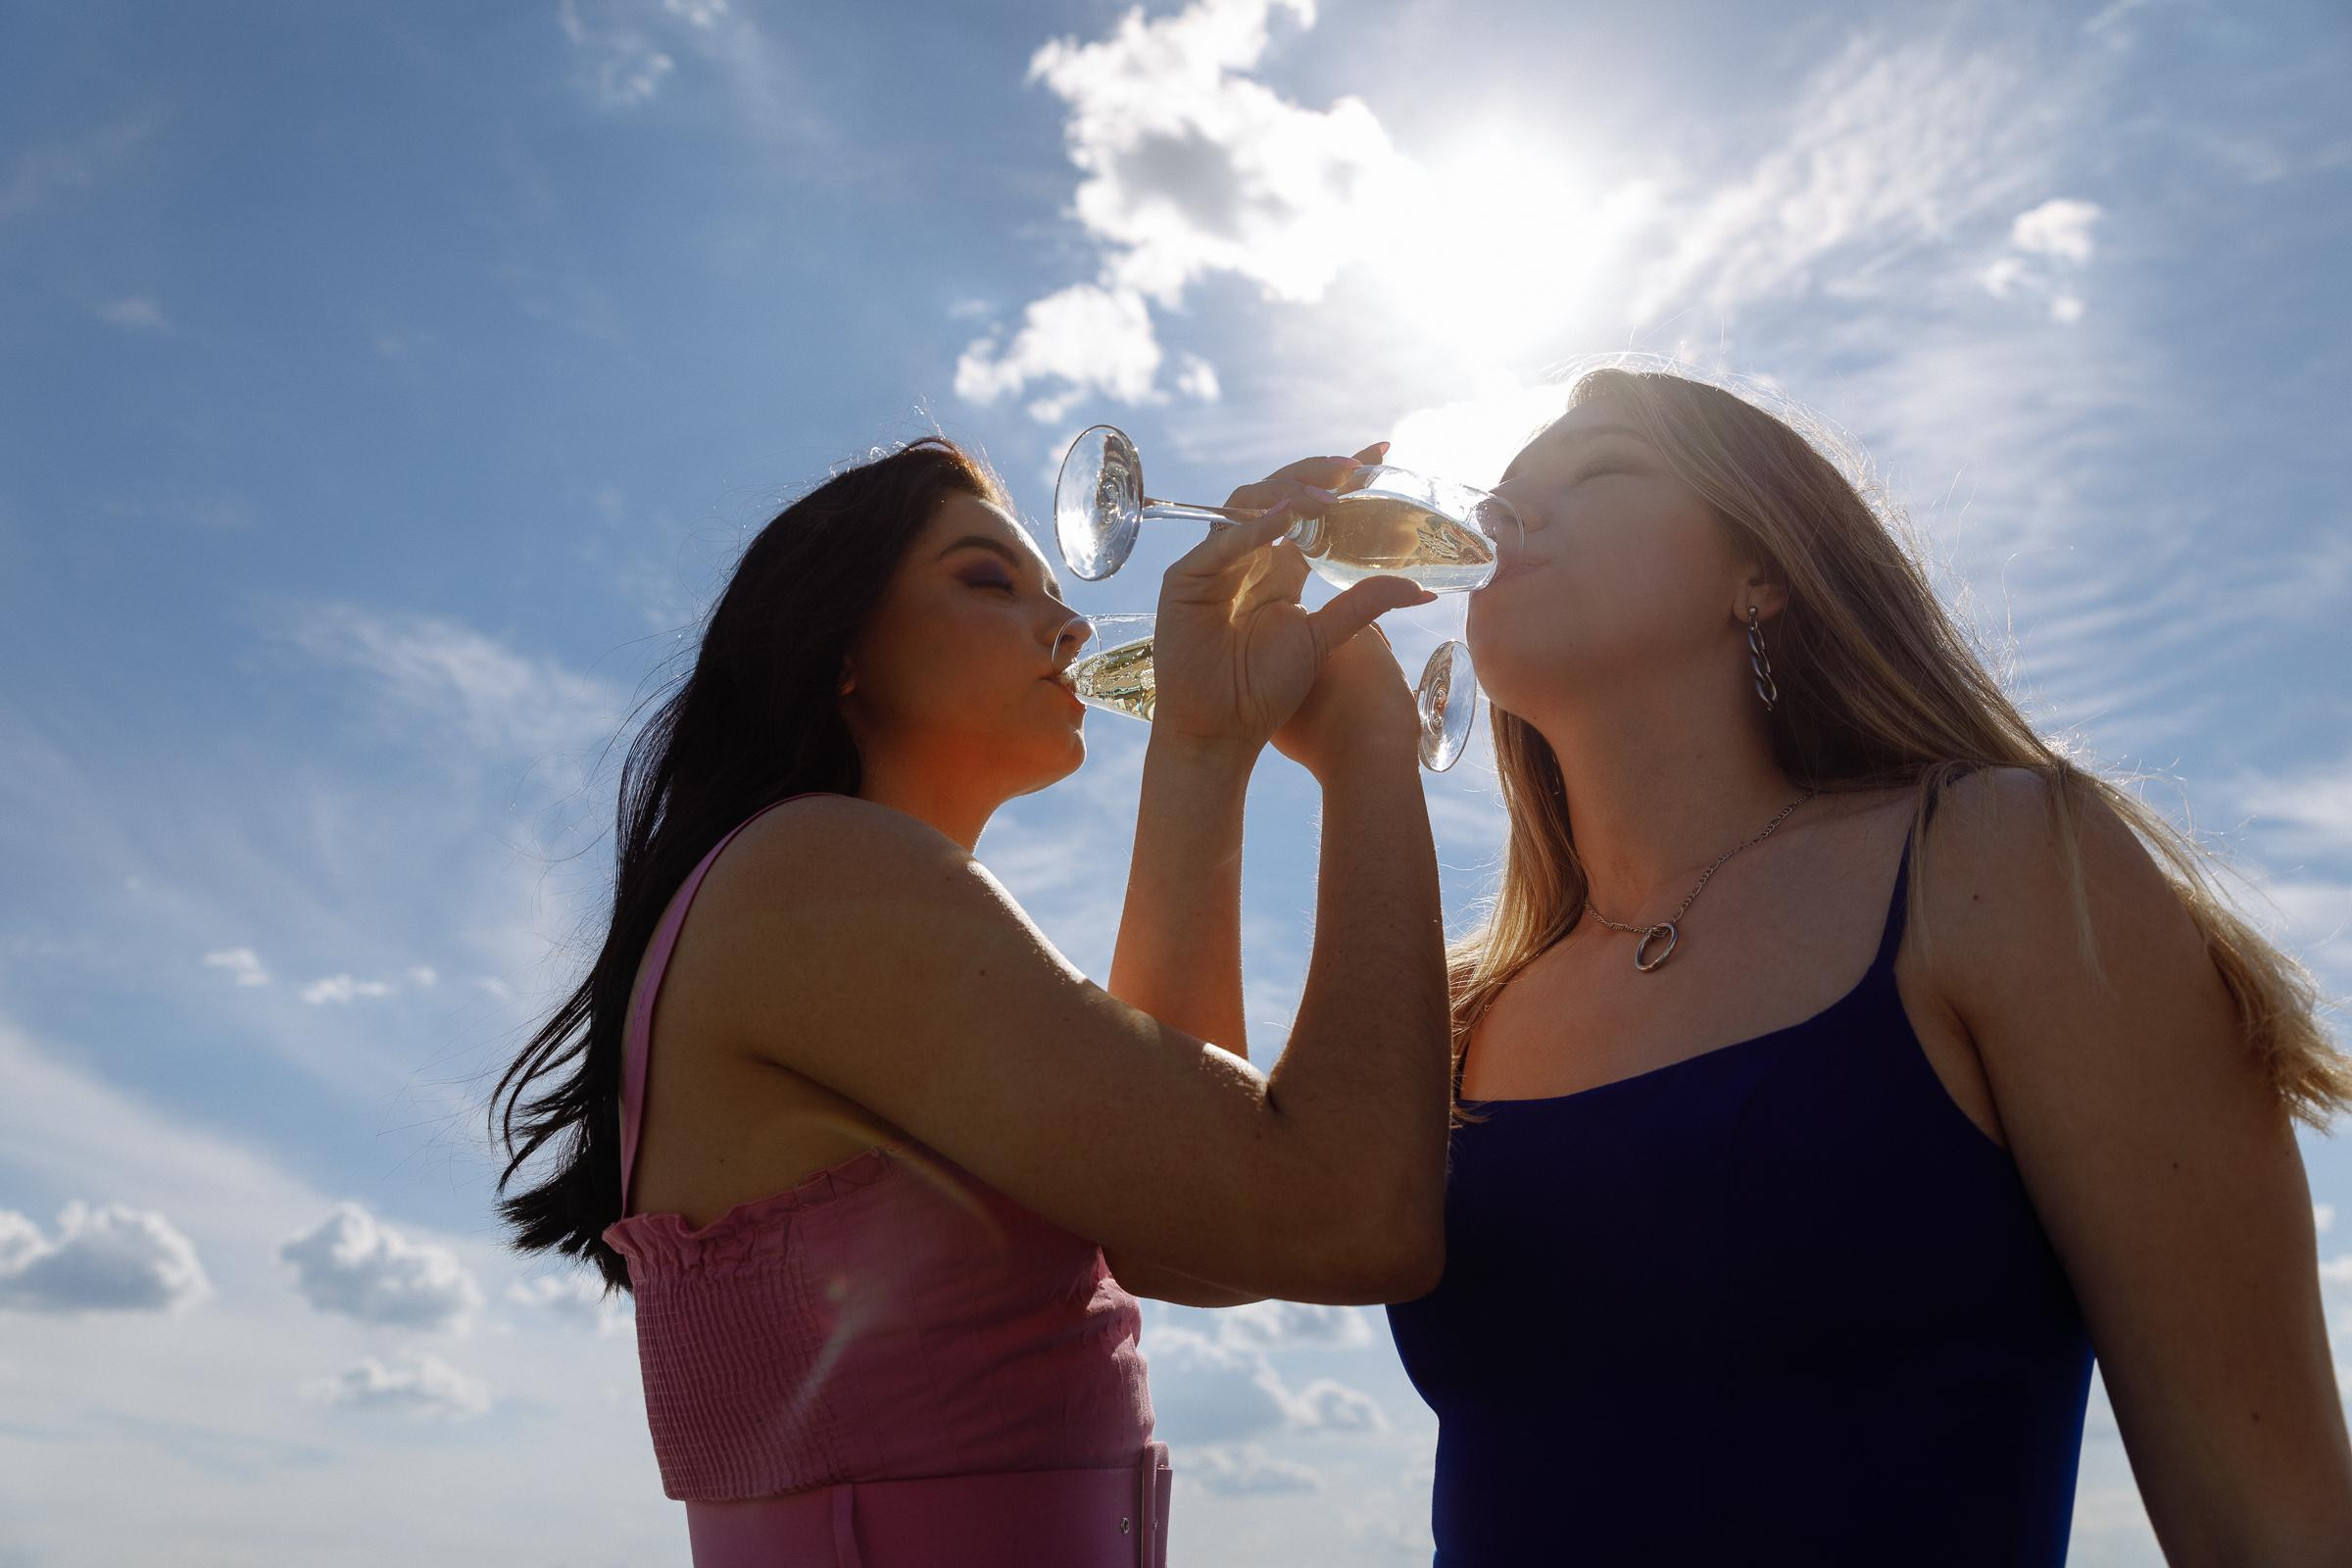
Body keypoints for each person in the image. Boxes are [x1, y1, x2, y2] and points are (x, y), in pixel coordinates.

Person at [1383, 366, 2352, 1563]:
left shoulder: (2001, 865)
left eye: (1604, 472)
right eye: (1498, 504)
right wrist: (1217, 748)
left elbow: (2276, 1522)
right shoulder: (1458, 1006)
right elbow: (1174, 1240)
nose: (1509, 521)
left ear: (1765, 570)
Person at [488, 435, 1449, 1566]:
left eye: (1058, 591)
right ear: (839, 648)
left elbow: (1198, 1237)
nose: (1073, 626)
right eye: (990, 580)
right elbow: (1348, 1216)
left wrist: (1206, 741)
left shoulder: (819, 895)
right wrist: (1370, 744)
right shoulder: (814, 871)